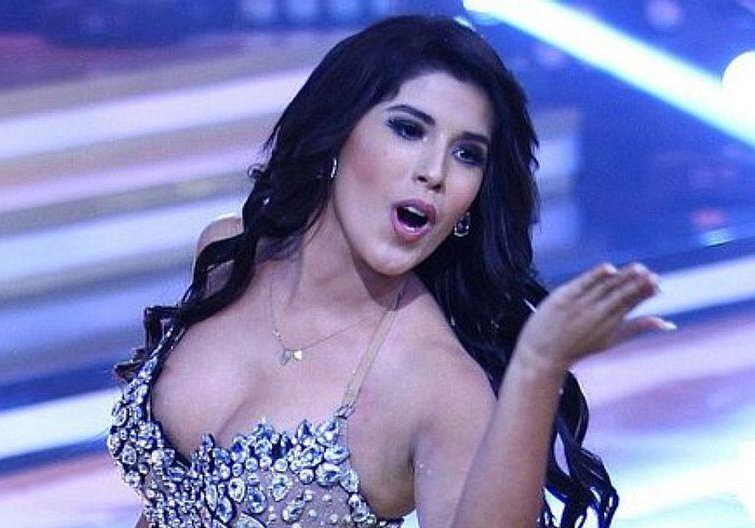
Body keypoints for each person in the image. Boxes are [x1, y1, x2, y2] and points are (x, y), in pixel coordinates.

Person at [108, 15, 674, 528]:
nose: (434, 171)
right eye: (408, 129)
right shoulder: (228, 257)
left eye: (467, 153)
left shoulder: (438, 384)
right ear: (338, 133)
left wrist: (537, 367)